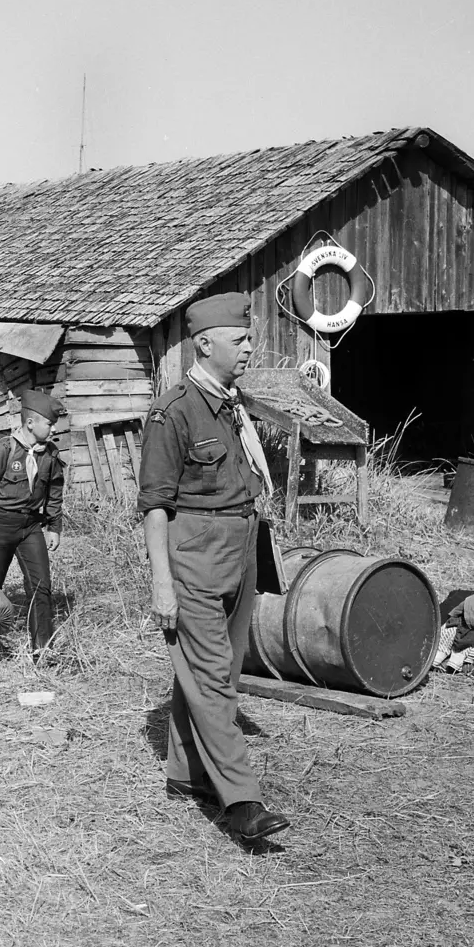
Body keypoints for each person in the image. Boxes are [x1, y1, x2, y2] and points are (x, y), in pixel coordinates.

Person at [135, 292, 288, 842]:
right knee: (212, 678)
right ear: (205, 343)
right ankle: (242, 801)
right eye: (240, 339)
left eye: (248, 338)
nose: (250, 347)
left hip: (242, 547)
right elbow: (154, 505)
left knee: (216, 671)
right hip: (195, 557)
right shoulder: (173, 411)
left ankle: (185, 773)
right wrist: (162, 584)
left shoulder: (232, 403)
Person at [0, 389, 67, 662]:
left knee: (41, 585)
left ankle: (42, 649)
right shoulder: (4, 449)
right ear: (31, 423)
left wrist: (54, 526)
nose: (53, 427)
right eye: (49, 423)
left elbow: (55, 491)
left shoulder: (50, 454)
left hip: (30, 527)